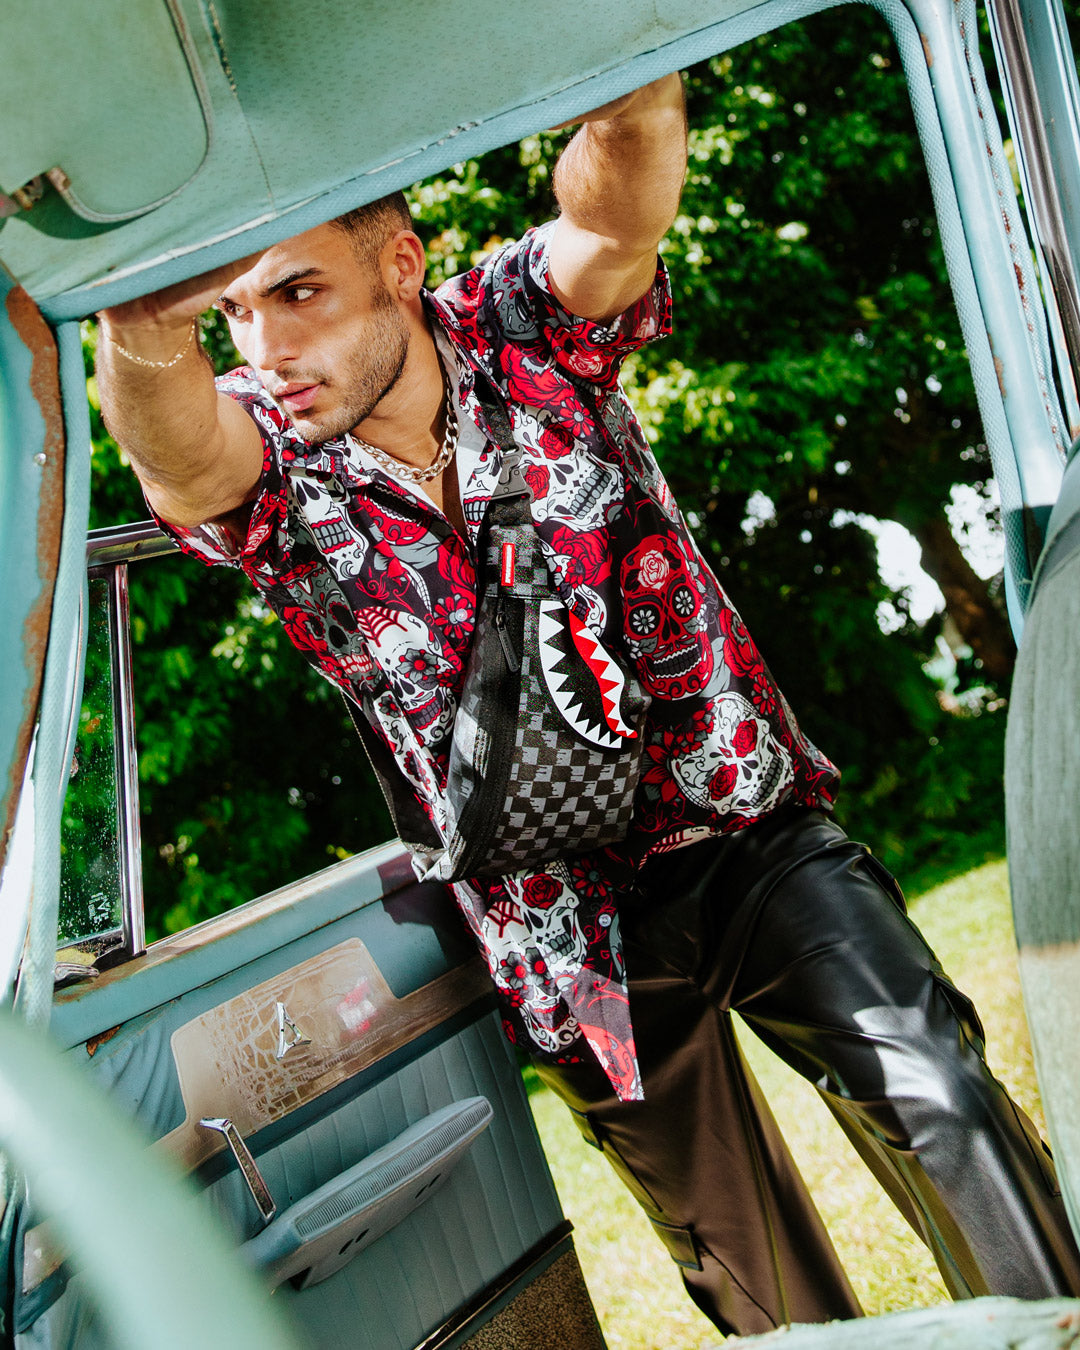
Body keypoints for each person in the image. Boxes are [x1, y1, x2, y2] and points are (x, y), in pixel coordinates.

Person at [95, 73, 1080, 1336]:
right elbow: (176, 453)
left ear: (401, 266)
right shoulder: (271, 451)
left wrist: (637, 65)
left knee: (939, 1092)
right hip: (559, 933)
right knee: (754, 1275)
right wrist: (142, 322)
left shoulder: (518, 322)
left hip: (742, 831)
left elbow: (615, 214)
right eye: (234, 314)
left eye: (299, 295)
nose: (266, 350)